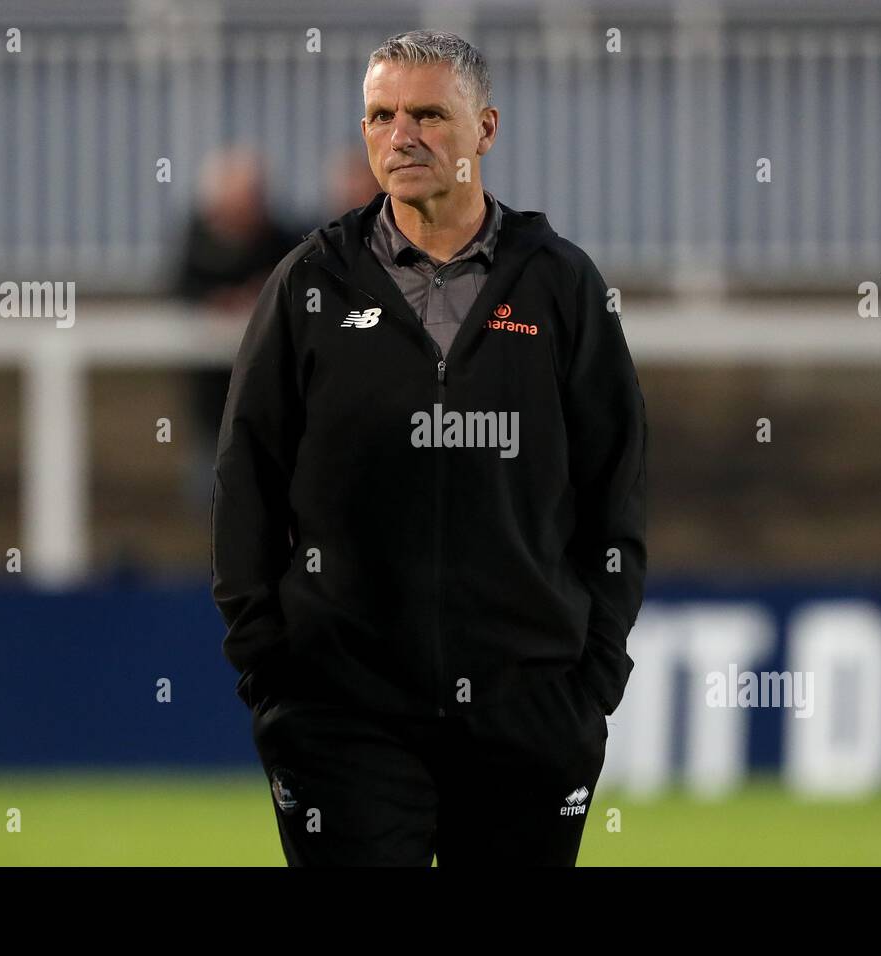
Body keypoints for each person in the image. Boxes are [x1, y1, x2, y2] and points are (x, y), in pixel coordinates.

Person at [211, 30, 647, 866]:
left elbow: (615, 488)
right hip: (343, 714)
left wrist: (591, 680)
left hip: (529, 710)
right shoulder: (307, 285)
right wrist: (273, 677)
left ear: (485, 128)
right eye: (380, 115)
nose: (400, 135)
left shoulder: (561, 285)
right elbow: (246, 481)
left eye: (426, 115)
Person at [171, 147, 302, 511]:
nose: (251, 207)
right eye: (243, 198)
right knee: (214, 496)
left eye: (255, 196)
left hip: (275, 404)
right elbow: (183, 292)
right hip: (215, 402)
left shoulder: (283, 241)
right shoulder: (195, 245)